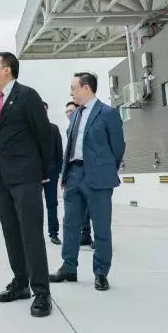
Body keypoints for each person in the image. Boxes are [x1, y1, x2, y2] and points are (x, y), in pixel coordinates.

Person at [0, 52, 52, 317]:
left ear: (8, 70)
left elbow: (44, 135)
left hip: (26, 177)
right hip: (4, 178)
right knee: (11, 233)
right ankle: (20, 283)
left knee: (31, 235)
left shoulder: (27, 95)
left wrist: (42, 173)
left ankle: (42, 293)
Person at [50, 72, 124, 293]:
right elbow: (70, 146)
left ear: (86, 88)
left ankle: (101, 273)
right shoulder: (75, 115)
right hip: (74, 175)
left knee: (101, 226)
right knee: (70, 224)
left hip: (98, 177)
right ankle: (68, 267)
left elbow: (118, 147)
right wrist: (65, 173)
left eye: (73, 88)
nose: (71, 92)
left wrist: (105, 169)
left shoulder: (107, 113)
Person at [65, 101, 93, 248]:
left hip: (90, 169)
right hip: (75, 171)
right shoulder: (69, 128)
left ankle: (98, 238)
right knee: (80, 205)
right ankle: (85, 234)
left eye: (71, 110)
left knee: (93, 204)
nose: (68, 114)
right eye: (67, 112)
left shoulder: (87, 123)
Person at [42, 101, 63, 245]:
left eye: (45, 109)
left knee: (52, 203)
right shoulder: (30, 129)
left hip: (51, 173)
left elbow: (59, 152)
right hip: (34, 174)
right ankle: (34, 233)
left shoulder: (54, 129)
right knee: (34, 205)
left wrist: (60, 172)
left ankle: (53, 233)